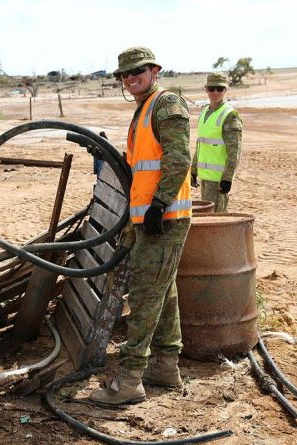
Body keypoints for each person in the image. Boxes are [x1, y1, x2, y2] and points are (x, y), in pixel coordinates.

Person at [89, 47, 192, 406]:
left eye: (137, 71)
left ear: (154, 70)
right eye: (124, 74)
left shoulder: (166, 105)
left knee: (146, 296)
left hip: (165, 219)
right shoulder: (143, 109)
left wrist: (160, 204)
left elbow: (180, 158)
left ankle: (130, 381)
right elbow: (141, 167)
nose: (130, 78)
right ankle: (165, 367)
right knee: (164, 293)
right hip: (148, 218)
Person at [191, 73, 243, 212]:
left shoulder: (229, 115)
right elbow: (200, 144)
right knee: (208, 217)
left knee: (216, 218)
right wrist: (194, 169)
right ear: (206, 89)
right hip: (205, 178)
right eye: (211, 88)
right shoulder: (204, 113)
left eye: (219, 89)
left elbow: (235, 151)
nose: (215, 92)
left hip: (218, 180)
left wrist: (227, 178)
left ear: (225, 90)